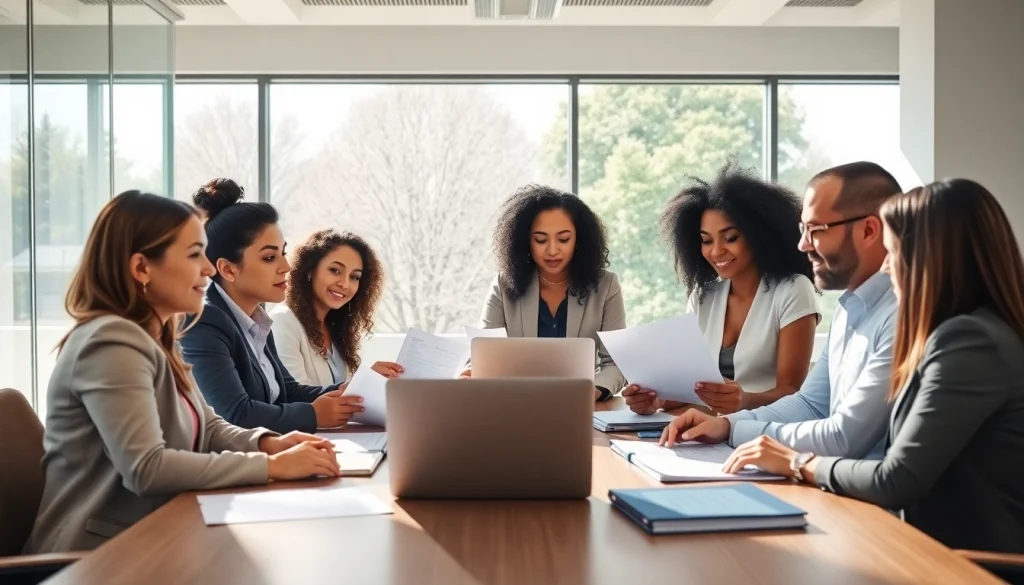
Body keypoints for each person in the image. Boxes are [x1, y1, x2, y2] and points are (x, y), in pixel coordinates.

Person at [717, 179, 1024, 555]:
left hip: (969, 563)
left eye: (894, 253)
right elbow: (817, 406)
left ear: (932, 257)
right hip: (925, 545)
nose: (888, 267)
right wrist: (731, 427)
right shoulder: (959, 331)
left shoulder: (970, 340)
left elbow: (896, 478)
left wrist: (796, 462)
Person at [25, 191, 340, 554]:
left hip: (156, 533)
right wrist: (270, 467)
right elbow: (147, 468)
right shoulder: (110, 342)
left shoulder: (158, 335)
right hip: (96, 557)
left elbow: (207, 427)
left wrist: (268, 443)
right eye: (194, 255)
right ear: (142, 268)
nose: (208, 268)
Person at [658, 161, 901, 459]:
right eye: (803, 229)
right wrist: (725, 425)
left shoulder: (901, 317)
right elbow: (810, 405)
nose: (802, 244)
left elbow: (844, 437)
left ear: (869, 230)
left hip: (861, 492)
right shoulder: (848, 310)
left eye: (816, 229)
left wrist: (736, 429)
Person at [624, 162, 818, 415]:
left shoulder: (794, 290)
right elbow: (689, 387)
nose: (716, 251)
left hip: (765, 430)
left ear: (759, 235)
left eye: (730, 238)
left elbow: (792, 391)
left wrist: (744, 400)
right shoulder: (703, 296)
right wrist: (656, 400)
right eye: (706, 241)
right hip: (707, 428)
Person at [181, 179, 363, 434]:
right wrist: (314, 415)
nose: (286, 267)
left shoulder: (257, 319)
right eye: (269, 257)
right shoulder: (204, 320)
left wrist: (353, 390)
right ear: (228, 269)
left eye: (282, 253)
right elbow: (233, 413)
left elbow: (286, 391)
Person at [467, 184, 625, 401]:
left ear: (579, 240)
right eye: (540, 240)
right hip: (514, 405)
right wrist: (469, 376)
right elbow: (480, 356)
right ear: (526, 241)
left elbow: (615, 364)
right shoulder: (503, 285)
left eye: (563, 239)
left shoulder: (607, 286)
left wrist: (593, 390)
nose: (552, 250)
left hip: (579, 408)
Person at [271, 229, 402, 385]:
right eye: (335, 270)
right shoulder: (282, 322)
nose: (345, 284)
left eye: (354, 277)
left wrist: (372, 380)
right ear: (310, 270)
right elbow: (296, 399)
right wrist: (364, 382)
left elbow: (345, 397)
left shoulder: (336, 328)